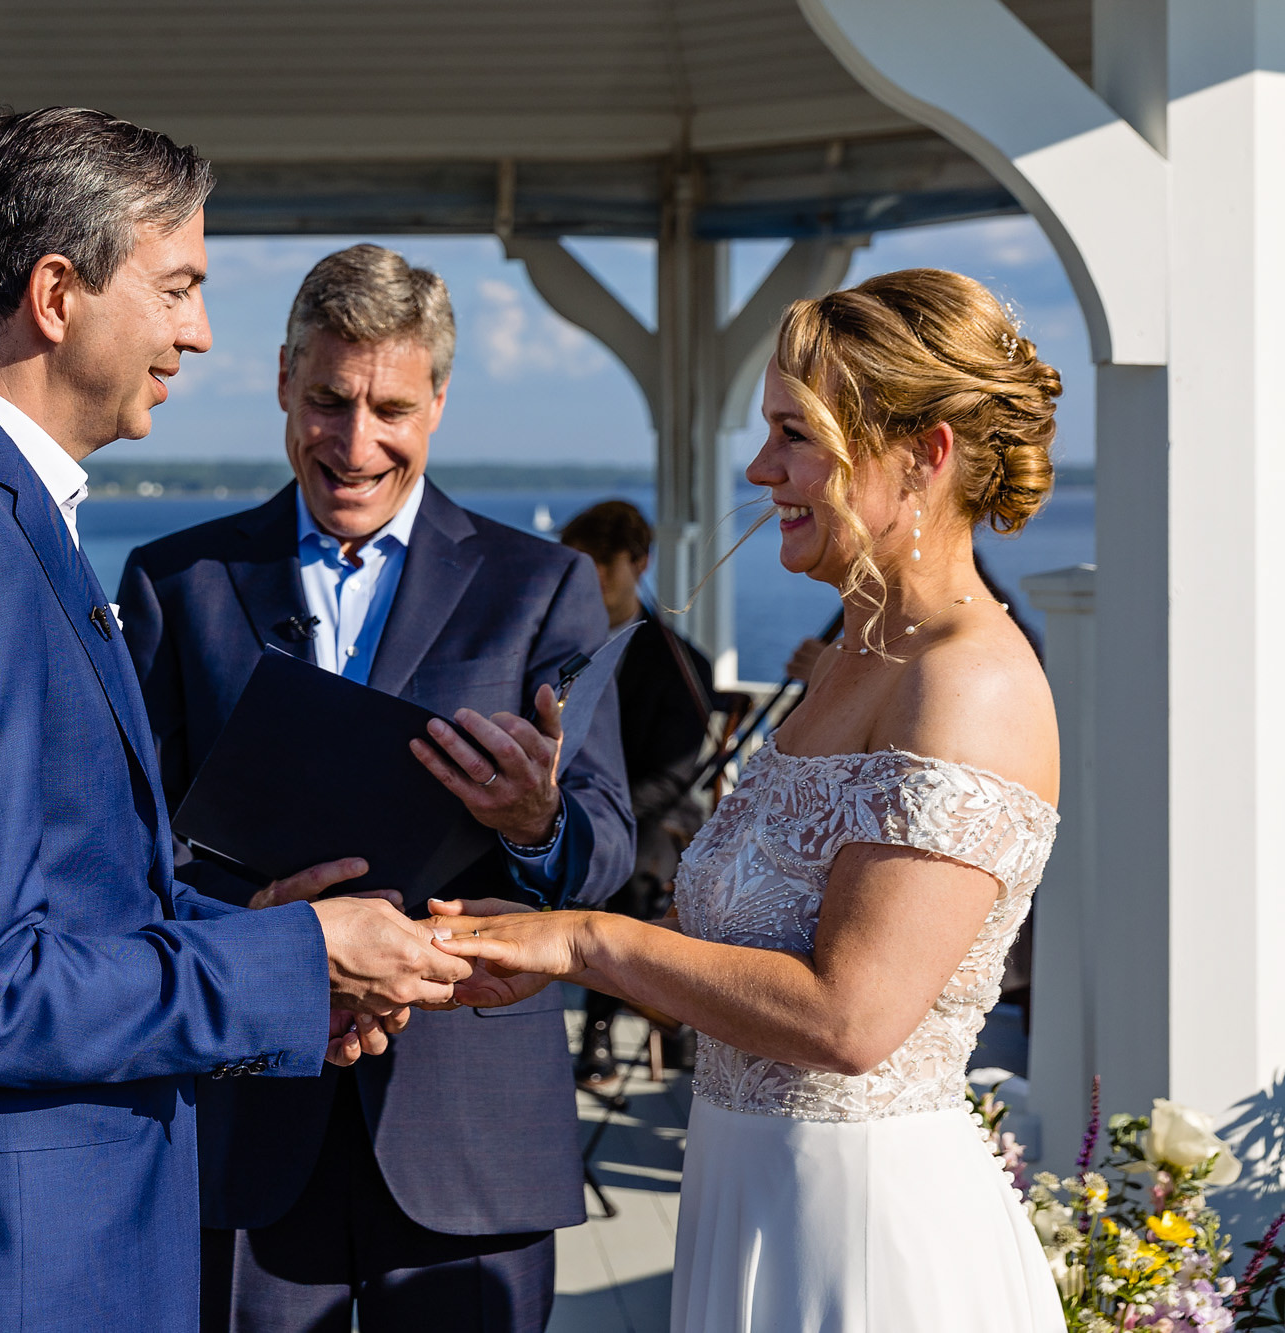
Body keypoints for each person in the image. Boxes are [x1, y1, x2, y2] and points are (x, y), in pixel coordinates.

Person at [0, 109, 468, 1333]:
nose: (197, 333)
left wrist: (287, 958)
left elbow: (59, 900)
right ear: (55, 292)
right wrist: (293, 961)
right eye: (178, 287)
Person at [431, 268, 1068, 1331]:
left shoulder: (969, 682)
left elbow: (849, 1017)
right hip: (747, 1192)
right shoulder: (851, 654)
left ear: (923, 455)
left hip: (864, 1236)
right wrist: (528, 935)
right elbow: (732, 953)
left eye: (793, 435)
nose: (758, 466)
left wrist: (585, 943)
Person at [119, 243, 633, 1333]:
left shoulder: (541, 589)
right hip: (250, 1107)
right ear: (280, 383)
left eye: (390, 407)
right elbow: (126, 844)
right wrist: (254, 925)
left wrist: (536, 824)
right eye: (326, 402)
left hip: (469, 1126)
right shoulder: (177, 583)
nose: (354, 444)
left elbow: (609, 844)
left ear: (438, 402)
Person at [556, 499, 714, 1084]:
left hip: (656, 817)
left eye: (605, 563)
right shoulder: (557, 653)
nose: (591, 578)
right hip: (568, 810)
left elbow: (674, 777)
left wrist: (600, 817)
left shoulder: (679, 661)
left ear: (639, 562)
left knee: (633, 856)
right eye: (579, 564)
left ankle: (602, 1024)